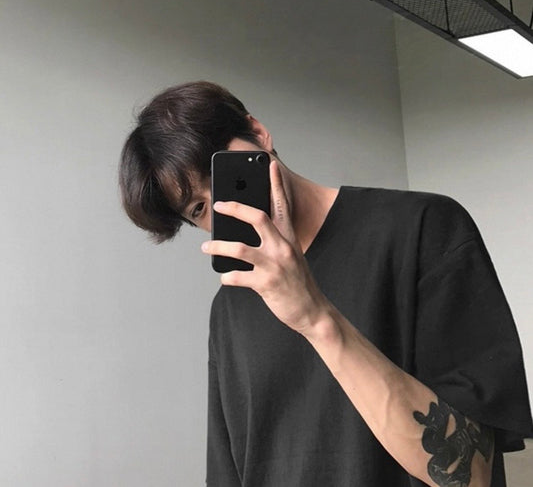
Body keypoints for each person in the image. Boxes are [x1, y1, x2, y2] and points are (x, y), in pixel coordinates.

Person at [119, 81, 532, 487]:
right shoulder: (230, 306)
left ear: (258, 133)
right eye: (199, 208)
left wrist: (315, 317)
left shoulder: (424, 228)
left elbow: (470, 474)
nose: (228, 204)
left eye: (225, 174)